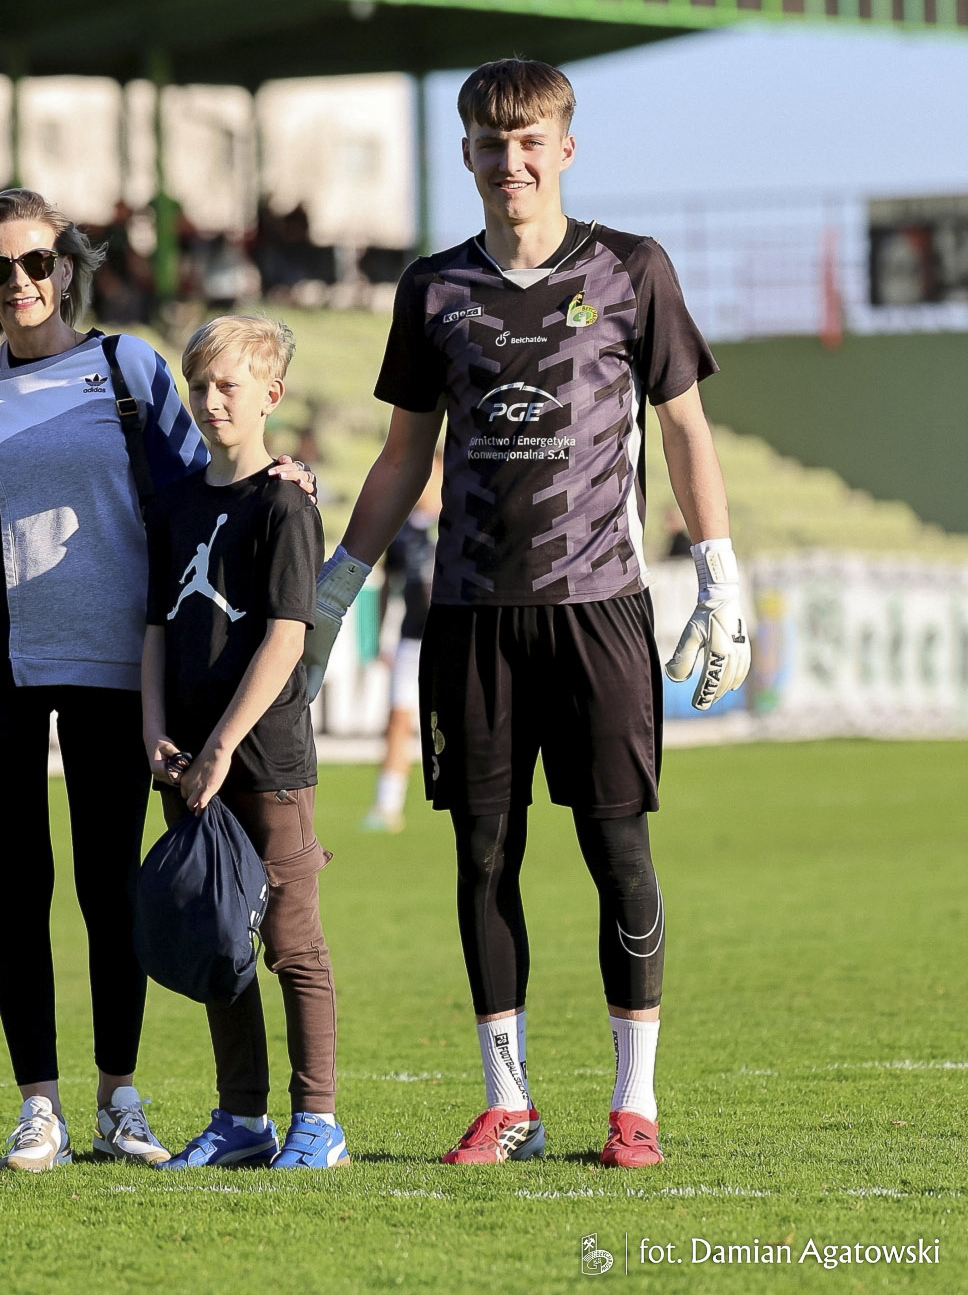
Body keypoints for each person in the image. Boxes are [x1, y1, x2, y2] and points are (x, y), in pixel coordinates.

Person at [301, 58, 750, 1171]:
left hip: (599, 611)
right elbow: (403, 457)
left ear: (565, 148)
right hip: (471, 617)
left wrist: (719, 575)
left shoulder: (632, 269)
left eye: (530, 140)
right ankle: (509, 1104)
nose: (511, 161)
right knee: (482, 859)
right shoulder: (433, 288)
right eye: (491, 143)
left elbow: (684, 429)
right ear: (466, 154)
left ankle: (634, 1105)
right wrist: (334, 589)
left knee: (618, 852)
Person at [0, 190, 319, 1171]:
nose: (21, 281)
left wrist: (284, 477)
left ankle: (116, 1099)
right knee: (18, 883)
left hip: (115, 665)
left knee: (109, 886)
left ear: (67, 267)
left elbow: (204, 490)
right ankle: (39, 1107)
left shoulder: (126, 364)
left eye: (37, 262)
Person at [142, 316, 348, 1171]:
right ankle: (241, 1118)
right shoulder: (175, 501)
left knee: (291, 940)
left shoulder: (285, 503)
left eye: (228, 385)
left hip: (266, 762)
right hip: (189, 763)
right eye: (199, 385)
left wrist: (224, 743)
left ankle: (319, 1121)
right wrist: (154, 728)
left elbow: (286, 637)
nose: (210, 400)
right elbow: (155, 626)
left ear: (271, 393)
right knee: (217, 938)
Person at [362, 461, 440, 833]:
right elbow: (388, 585)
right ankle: (388, 803)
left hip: (454, 639)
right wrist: (382, 638)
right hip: (412, 639)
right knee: (398, 719)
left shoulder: (462, 519)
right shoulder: (403, 530)